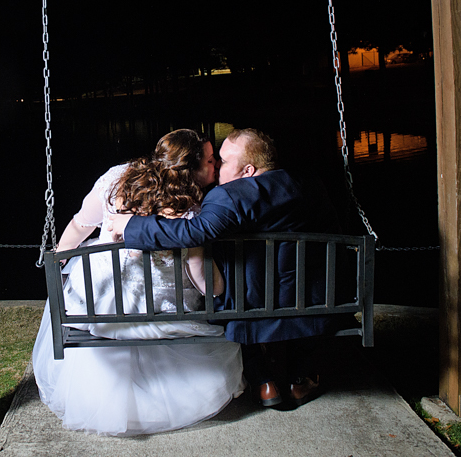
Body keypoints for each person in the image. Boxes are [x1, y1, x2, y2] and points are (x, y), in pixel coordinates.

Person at [109, 128, 342, 409]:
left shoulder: (231, 196)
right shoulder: (306, 184)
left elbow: (193, 231)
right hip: (313, 299)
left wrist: (132, 226)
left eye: (223, 160)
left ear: (247, 170)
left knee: (233, 280)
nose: (217, 165)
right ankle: (299, 378)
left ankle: (263, 381)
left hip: (250, 304)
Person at [31, 129, 244, 435]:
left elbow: (80, 224)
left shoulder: (118, 178)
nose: (215, 166)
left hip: (98, 303)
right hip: (160, 309)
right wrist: (218, 288)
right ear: (191, 168)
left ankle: (111, 399)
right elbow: (203, 279)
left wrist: (59, 260)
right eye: (211, 161)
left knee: (92, 286)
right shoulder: (191, 212)